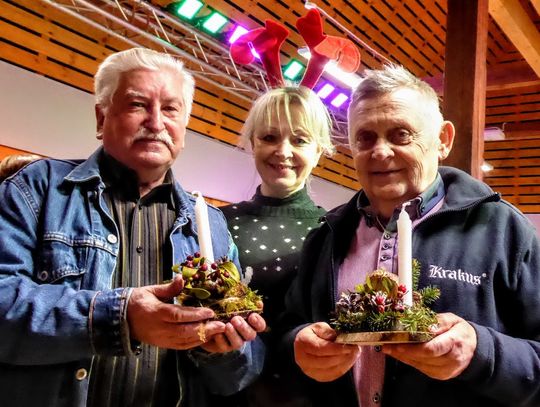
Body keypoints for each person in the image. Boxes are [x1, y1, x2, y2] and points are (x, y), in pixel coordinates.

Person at [0, 48, 266, 407]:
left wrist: (224, 348)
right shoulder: (36, 190)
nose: (156, 122)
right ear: (101, 117)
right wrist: (120, 318)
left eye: (171, 109)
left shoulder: (213, 224)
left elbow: (236, 378)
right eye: (138, 104)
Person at [280, 64, 540, 406]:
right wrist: (299, 345)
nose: (380, 152)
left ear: (443, 140)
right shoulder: (326, 236)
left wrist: (482, 351)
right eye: (365, 137)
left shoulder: (503, 230)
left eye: (401, 134)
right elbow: (290, 327)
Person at [220, 86, 335, 406]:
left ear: (319, 150)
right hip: (229, 393)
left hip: (309, 395)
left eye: (299, 140)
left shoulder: (335, 229)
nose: (283, 151)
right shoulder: (219, 222)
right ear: (251, 142)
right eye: (270, 137)